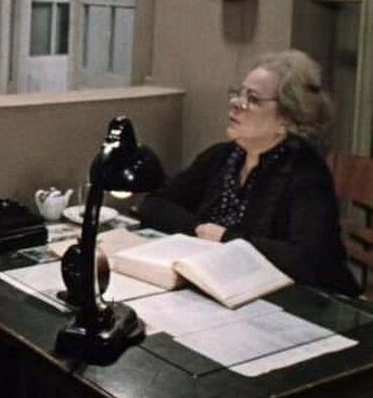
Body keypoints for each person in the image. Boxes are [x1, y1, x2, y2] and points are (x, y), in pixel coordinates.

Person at [140, 50, 361, 297]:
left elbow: (307, 260)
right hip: (229, 287)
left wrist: (226, 238)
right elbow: (154, 205)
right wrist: (200, 228)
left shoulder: (306, 174)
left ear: (286, 119)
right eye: (239, 93)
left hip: (307, 303)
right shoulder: (222, 156)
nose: (237, 104)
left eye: (253, 99)